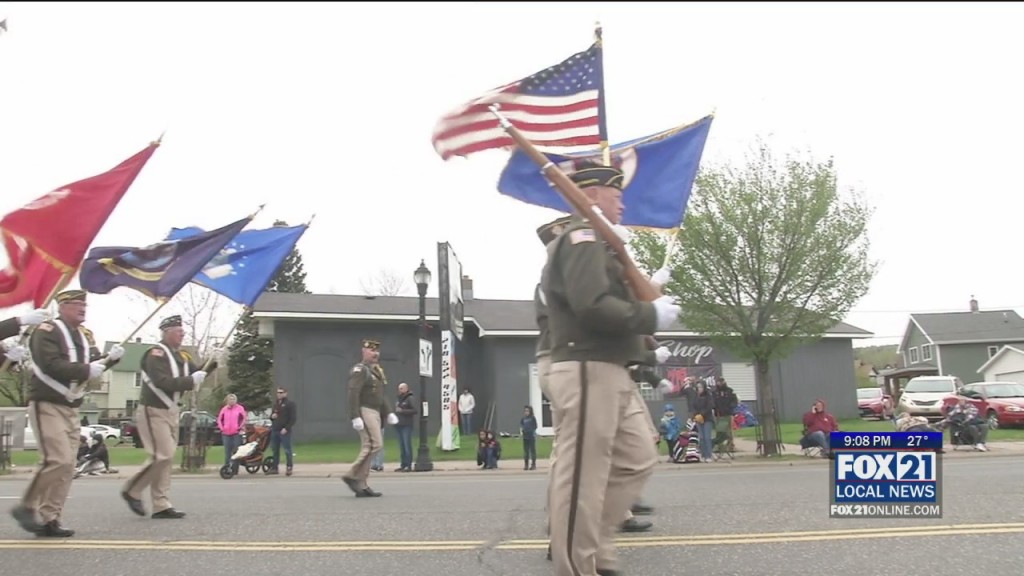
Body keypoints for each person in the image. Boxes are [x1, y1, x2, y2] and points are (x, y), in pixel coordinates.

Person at [542, 162, 681, 576]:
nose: (622, 201)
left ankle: (595, 546)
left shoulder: (601, 245)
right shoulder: (582, 237)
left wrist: (645, 333)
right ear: (593, 195)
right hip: (587, 368)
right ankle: (577, 564)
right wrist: (647, 316)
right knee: (584, 475)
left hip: (612, 369)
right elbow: (591, 306)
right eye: (615, 193)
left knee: (638, 457)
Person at [9, 290, 124, 537]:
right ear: (62, 306)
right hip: (47, 404)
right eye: (76, 304)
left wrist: (110, 360)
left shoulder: (83, 336)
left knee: (67, 465)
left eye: (84, 304)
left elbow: (93, 363)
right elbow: (51, 365)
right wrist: (87, 369)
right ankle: (26, 506)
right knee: (57, 459)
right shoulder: (47, 331)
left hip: (72, 407)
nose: (82, 308)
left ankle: (51, 517)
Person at [120, 314, 219, 520]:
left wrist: (212, 363)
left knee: (166, 458)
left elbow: (196, 374)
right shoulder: (155, 354)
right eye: (178, 330)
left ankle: (161, 503)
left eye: (182, 330)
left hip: (172, 410)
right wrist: (192, 379)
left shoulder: (182, 356)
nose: (182, 333)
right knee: (162, 455)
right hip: (153, 409)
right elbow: (163, 382)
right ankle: (132, 489)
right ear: (166, 332)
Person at [341, 339, 398, 498]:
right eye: (372, 351)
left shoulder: (376, 370)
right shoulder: (360, 370)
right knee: (375, 444)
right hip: (365, 410)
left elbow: (381, 394)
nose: (375, 354)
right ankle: (352, 475)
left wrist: (388, 412)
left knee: (370, 445)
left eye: (377, 351)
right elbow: (353, 393)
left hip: (375, 411)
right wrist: (355, 416)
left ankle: (361, 483)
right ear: (364, 352)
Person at [268, 387, 297, 475]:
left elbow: (293, 419)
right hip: (275, 429)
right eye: (278, 393)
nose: (279, 394)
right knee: (275, 450)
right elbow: (272, 417)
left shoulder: (290, 404)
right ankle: (275, 467)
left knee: (287, 450)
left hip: (284, 430)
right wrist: (272, 417)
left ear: (285, 393)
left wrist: (286, 428)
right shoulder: (276, 404)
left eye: (281, 392)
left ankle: (289, 467)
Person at [217, 394, 247, 470]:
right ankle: (227, 468)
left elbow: (244, 418)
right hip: (226, 433)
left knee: (236, 452)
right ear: (227, 400)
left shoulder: (240, 408)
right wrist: (222, 428)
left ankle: (235, 469)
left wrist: (240, 427)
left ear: (236, 400)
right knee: (227, 452)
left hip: (236, 433)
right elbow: (219, 419)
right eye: (230, 399)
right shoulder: (224, 409)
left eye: (233, 399)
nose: (232, 401)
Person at [393, 382, 416, 472]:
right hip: (399, 424)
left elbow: (414, 410)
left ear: (406, 388)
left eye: (401, 388)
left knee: (407, 445)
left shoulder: (410, 398)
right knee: (401, 445)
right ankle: (403, 464)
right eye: (399, 389)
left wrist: (403, 411)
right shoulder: (399, 399)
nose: (400, 390)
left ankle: (408, 465)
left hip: (407, 424)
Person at [520, 406, 538, 470]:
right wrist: (522, 431)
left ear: (530, 412)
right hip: (525, 437)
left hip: (531, 436)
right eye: (525, 411)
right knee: (526, 451)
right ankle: (526, 464)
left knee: (532, 451)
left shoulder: (532, 418)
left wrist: (532, 431)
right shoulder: (523, 419)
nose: (526, 412)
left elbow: (535, 426)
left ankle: (533, 464)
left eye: (527, 411)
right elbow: (521, 426)